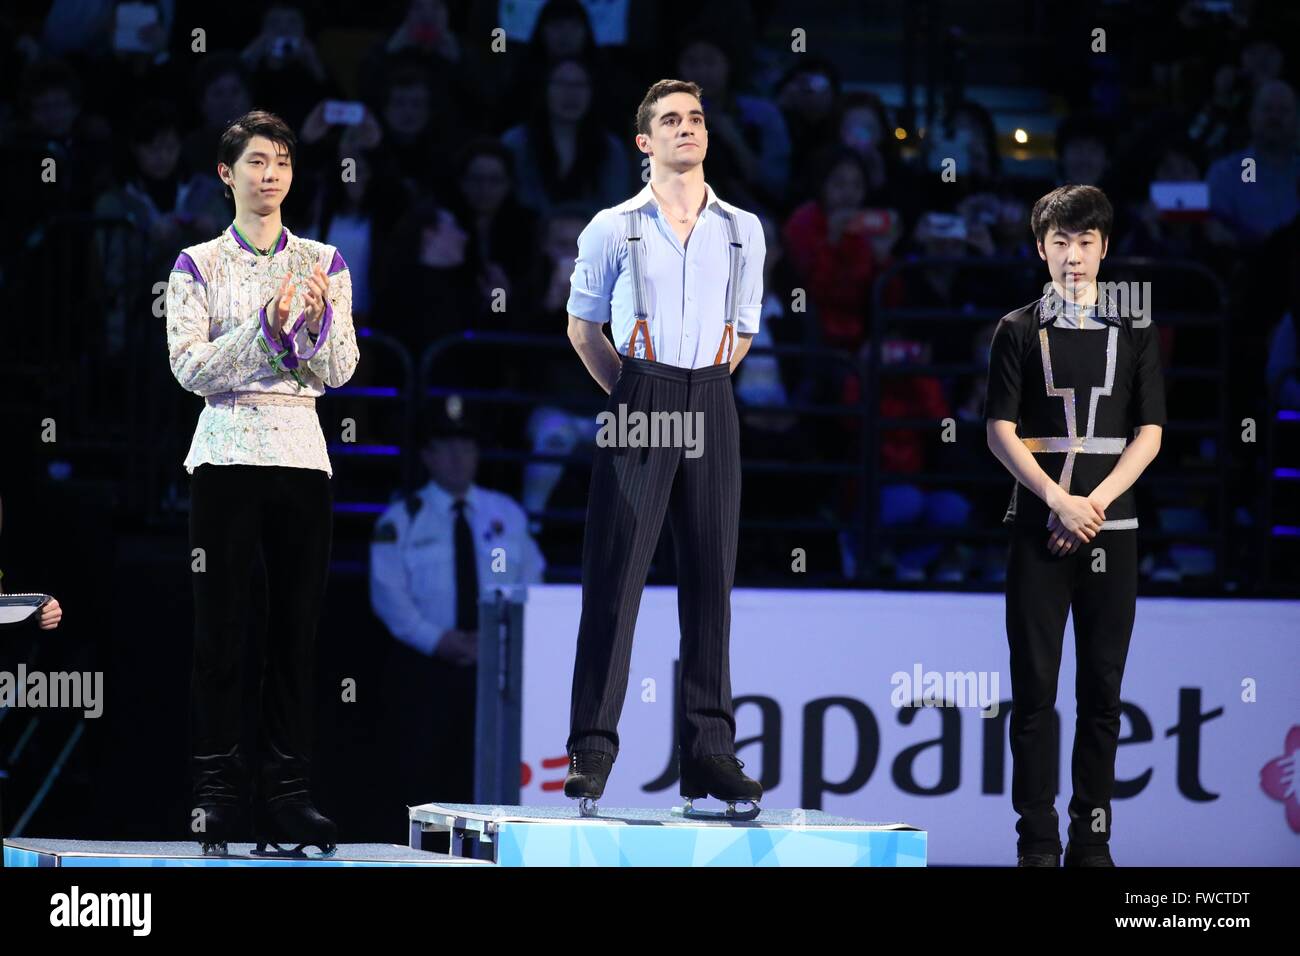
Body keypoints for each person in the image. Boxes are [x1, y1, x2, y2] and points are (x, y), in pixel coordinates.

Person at [562, 78, 765, 817]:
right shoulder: (614, 225)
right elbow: (583, 329)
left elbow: (743, 330)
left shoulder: (743, 228)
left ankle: (710, 753)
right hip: (639, 388)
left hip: (710, 391)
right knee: (616, 572)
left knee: (711, 577)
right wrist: (636, 391)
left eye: (697, 118)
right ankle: (591, 748)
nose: (689, 128)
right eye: (671, 120)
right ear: (645, 142)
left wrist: (699, 389)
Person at [165, 109, 359, 856]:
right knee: (222, 635)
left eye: (280, 160)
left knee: (294, 637)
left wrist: (303, 327)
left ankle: (288, 798)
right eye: (254, 161)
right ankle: (216, 797)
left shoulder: (325, 260)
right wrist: (270, 331)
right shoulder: (195, 264)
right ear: (226, 173)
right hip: (223, 457)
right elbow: (191, 368)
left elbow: (339, 368)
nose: (269, 173)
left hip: (303, 459)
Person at [984, 184, 1165, 867]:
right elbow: (999, 431)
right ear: (1041, 248)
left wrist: (1096, 507)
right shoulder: (1017, 329)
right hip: (1037, 527)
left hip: (1111, 533)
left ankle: (1092, 841)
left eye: (1086, 242)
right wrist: (1057, 503)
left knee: (1103, 693)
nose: (1074, 256)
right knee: (1033, 692)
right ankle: (1036, 843)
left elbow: (1149, 431)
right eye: (1060, 242)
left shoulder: (1135, 327)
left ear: (1104, 247)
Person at [369, 406, 545, 812]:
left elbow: (531, 579)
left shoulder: (506, 513)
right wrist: (437, 640)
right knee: (420, 774)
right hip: (425, 665)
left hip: (496, 664)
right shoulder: (402, 518)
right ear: (428, 456)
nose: (458, 457)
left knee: (492, 771)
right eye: (446, 447)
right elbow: (388, 593)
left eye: (466, 447)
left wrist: (496, 638)